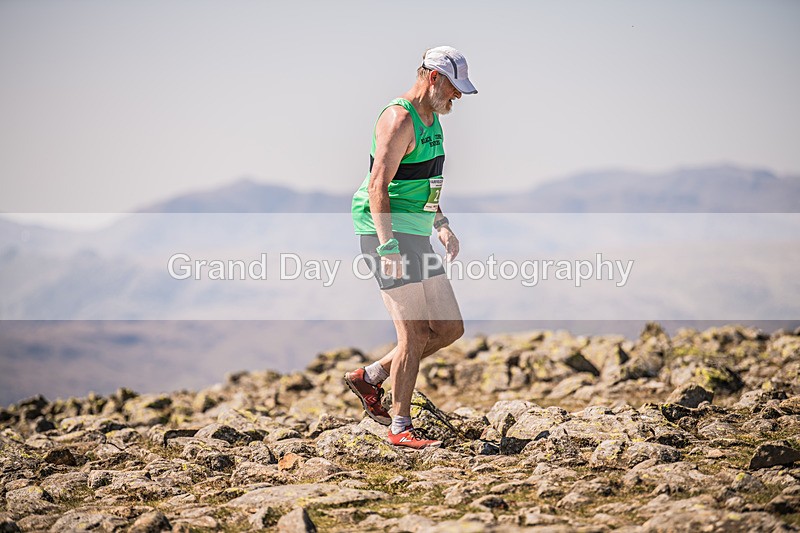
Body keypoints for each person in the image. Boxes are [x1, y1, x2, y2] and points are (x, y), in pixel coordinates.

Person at [345, 46, 477, 449]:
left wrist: (441, 223)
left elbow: (425, 182)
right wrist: (388, 249)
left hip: (416, 233)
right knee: (413, 333)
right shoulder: (398, 118)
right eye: (454, 88)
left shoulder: (433, 120)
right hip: (388, 234)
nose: (457, 97)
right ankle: (400, 427)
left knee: (450, 327)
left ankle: (370, 378)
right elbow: (377, 186)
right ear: (434, 78)